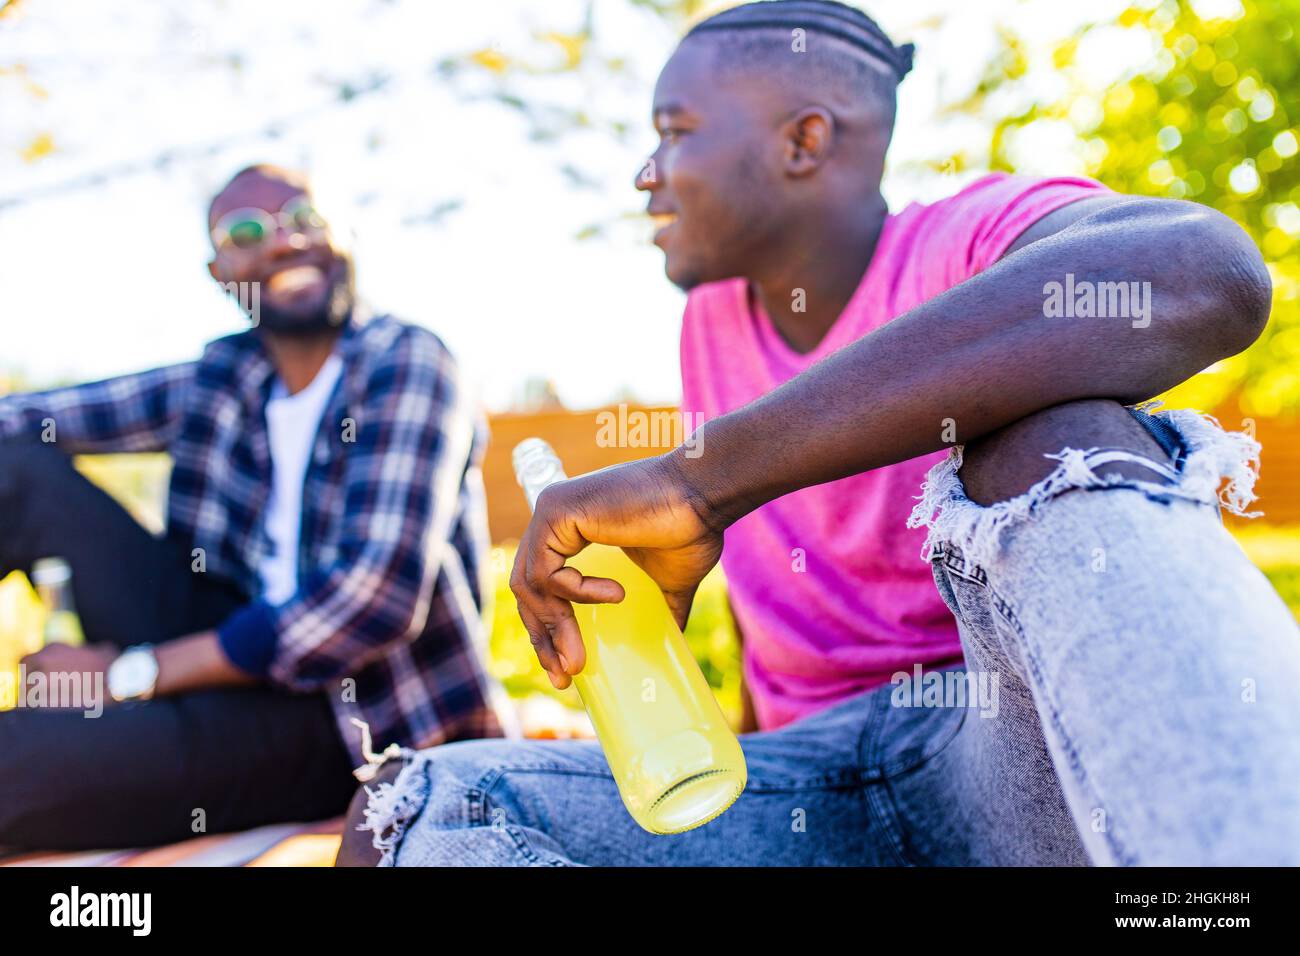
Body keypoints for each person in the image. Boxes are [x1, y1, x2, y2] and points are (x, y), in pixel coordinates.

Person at [337, 1, 1300, 866]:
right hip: (809, 784)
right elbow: (785, 616)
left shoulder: (965, 242)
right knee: (423, 808)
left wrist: (700, 479)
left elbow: (1202, 270)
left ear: (803, 141)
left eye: (672, 134)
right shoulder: (711, 320)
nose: (645, 174)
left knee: (1058, 437)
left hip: (1004, 752)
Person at [0, 164, 502, 851]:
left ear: (345, 236)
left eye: (305, 220)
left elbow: (375, 597)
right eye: (247, 233)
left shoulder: (407, 363)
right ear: (219, 271)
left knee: (19, 759)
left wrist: (127, 674)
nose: (283, 243)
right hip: (222, 649)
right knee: (14, 464)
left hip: (347, 719)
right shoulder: (230, 376)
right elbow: (26, 419)